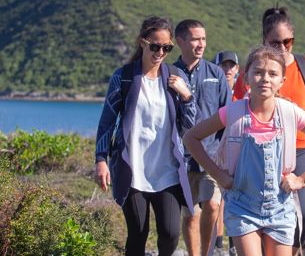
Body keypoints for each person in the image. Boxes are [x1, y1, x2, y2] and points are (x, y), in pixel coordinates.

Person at [183, 45, 305, 256]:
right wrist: (218, 175)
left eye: (273, 74)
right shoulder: (232, 112)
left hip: (280, 206)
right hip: (242, 206)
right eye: (258, 72)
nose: (265, 78)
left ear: (281, 82)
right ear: (246, 78)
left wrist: (303, 180)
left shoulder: (290, 113)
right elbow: (191, 138)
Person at [233, 7, 305, 252]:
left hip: (299, 150)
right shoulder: (252, 71)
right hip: (256, 151)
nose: (282, 48)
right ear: (264, 41)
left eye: (287, 42)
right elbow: (236, 112)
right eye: (275, 42)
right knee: (257, 215)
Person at [94, 16, 197, 256]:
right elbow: (107, 121)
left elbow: (190, 125)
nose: (161, 52)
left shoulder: (174, 79)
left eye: (167, 47)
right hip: (133, 171)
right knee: (138, 233)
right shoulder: (124, 77)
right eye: (155, 46)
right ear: (142, 43)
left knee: (171, 234)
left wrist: (186, 97)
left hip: (167, 172)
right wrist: (101, 159)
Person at [174, 19, 232, 256]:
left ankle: (208, 253)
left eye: (204, 39)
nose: (201, 44)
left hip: (212, 156)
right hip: (182, 158)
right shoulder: (169, 73)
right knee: (189, 214)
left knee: (212, 204)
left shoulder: (216, 73)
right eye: (196, 39)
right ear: (180, 42)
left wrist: (227, 153)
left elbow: (227, 114)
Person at [214, 50, 241, 255]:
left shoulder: (243, 93)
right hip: (216, 151)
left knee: (235, 197)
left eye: (232, 65)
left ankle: (234, 244)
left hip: (239, 152)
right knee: (218, 200)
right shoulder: (213, 91)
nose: (228, 69)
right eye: (224, 65)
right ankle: (217, 245)